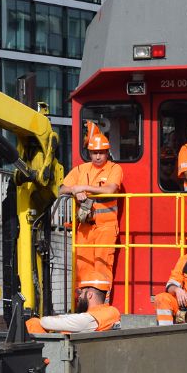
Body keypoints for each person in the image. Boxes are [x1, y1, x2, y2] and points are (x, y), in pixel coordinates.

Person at [59, 121, 124, 288]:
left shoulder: (114, 169)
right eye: (94, 152)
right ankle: (84, 308)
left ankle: (101, 308)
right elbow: (60, 189)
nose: (98, 156)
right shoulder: (80, 170)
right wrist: (74, 190)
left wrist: (84, 188)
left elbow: (110, 190)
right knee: (82, 268)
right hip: (84, 228)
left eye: (101, 152)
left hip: (106, 228)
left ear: (107, 152)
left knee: (102, 267)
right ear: (89, 152)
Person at [26, 271, 121, 334]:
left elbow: (46, 322)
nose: (78, 296)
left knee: (34, 323)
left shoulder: (91, 319)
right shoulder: (110, 311)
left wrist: (41, 320)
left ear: (90, 295)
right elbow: (74, 318)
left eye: (81, 292)